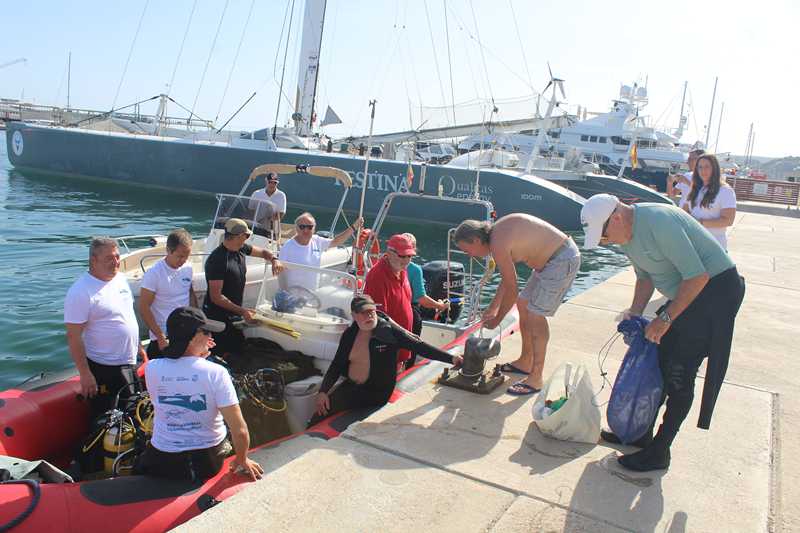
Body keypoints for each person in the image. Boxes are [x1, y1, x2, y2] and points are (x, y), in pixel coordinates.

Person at [581, 193, 745, 472]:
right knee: (659, 360)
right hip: (690, 292)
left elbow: (698, 276)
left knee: (679, 370)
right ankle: (642, 433)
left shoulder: (659, 222)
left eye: (605, 235)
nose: (606, 241)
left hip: (716, 292)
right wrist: (634, 312)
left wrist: (666, 318)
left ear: (617, 217)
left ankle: (660, 450)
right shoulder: (627, 236)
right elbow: (644, 278)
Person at [453, 215, 580, 396]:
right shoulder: (497, 237)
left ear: (476, 240)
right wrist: (493, 307)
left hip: (561, 260)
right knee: (523, 303)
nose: (470, 256)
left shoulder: (498, 244)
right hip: (549, 261)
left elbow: (512, 288)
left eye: (468, 251)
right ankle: (525, 361)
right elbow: (506, 280)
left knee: (536, 314)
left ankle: (536, 378)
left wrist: (497, 319)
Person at [135, 307, 263, 482]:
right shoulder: (216, 373)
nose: (211, 337)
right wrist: (242, 458)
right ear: (194, 337)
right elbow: (239, 430)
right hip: (208, 460)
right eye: (207, 332)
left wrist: (196, 355)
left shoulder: (152, 368)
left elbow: (179, 369)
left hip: (163, 460)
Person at [311, 295, 462, 426]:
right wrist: (323, 391)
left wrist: (452, 358)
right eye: (363, 313)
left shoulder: (389, 331)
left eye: (371, 312)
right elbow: (337, 364)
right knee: (318, 414)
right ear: (354, 316)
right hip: (352, 388)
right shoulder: (350, 335)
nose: (369, 316)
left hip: (377, 393)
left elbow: (421, 347)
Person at [65, 237, 142, 419]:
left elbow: (127, 316)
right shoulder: (81, 292)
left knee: (134, 415)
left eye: (117, 256)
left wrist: (138, 347)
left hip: (129, 362)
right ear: (93, 260)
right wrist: (85, 374)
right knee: (107, 421)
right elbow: (73, 337)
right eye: (109, 258)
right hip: (103, 368)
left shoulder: (121, 280)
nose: (116, 262)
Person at [203, 218, 284, 358]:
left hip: (234, 314)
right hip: (218, 317)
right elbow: (215, 297)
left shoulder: (242, 248)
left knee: (238, 349)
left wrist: (274, 260)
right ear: (238, 236)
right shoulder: (217, 260)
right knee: (221, 354)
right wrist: (243, 311)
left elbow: (264, 253)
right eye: (246, 236)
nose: (247, 239)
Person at [139, 229, 197, 359]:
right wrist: (160, 337)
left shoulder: (188, 268)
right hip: (163, 337)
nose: (183, 260)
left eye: (187, 256)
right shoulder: (154, 274)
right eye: (180, 256)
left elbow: (190, 294)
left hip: (185, 334)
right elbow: (143, 308)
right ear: (168, 250)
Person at [363, 234, 417, 367]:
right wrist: (405, 334)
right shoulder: (378, 276)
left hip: (402, 346)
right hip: (388, 350)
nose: (406, 260)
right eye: (402, 256)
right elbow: (379, 318)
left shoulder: (402, 271)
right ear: (389, 253)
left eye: (409, 256)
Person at [278, 212, 362, 291]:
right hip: (293, 295)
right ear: (296, 228)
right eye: (302, 227)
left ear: (314, 229)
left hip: (312, 294)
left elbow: (336, 241)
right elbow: (280, 272)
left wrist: (354, 227)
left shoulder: (316, 241)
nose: (306, 230)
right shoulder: (287, 247)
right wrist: (285, 293)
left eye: (309, 227)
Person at [683, 154, 737, 250]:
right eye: (700, 167)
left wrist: (699, 223)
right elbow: (684, 211)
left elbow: (728, 220)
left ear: (714, 169)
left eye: (707, 166)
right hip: (693, 245)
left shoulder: (725, 191)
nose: (703, 170)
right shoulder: (696, 189)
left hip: (714, 247)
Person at [401, 233, 449, 339]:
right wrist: (440, 306)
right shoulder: (415, 269)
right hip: (410, 313)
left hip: (390, 313)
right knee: (411, 346)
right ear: (414, 249)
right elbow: (421, 299)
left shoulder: (384, 264)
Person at [248, 172, 286, 238]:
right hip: (256, 227)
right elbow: (250, 210)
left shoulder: (281, 195)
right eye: (270, 182)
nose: (272, 184)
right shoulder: (256, 193)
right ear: (266, 181)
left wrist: (270, 221)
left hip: (272, 230)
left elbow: (281, 213)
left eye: (275, 183)